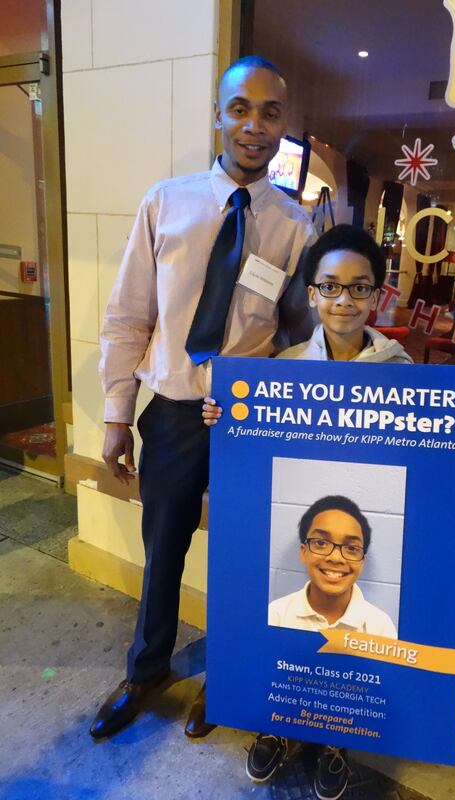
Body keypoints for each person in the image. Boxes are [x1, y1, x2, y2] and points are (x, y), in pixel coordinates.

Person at [203, 223, 455, 800]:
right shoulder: (279, 368)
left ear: (376, 296)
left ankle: (335, 735)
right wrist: (223, 421)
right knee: (285, 621)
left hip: (364, 523)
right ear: (311, 294)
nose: (344, 300)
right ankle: (277, 722)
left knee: (355, 629)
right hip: (300, 527)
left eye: (359, 288)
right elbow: (252, 453)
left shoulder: (403, 374)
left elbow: (430, 454)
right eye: (330, 286)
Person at [90, 55, 316, 741]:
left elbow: (304, 334)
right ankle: (147, 668)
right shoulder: (167, 201)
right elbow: (130, 314)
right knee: (164, 550)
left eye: (270, 112)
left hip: (249, 421)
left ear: (284, 124)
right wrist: (114, 415)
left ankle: (232, 681)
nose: (254, 125)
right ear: (218, 115)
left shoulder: (295, 227)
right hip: (174, 414)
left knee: (247, 556)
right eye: (240, 108)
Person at [269, 495, 397, 638]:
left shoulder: (380, 628)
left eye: (352, 548)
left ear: (362, 561)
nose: (336, 558)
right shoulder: (275, 616)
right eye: (321, 543)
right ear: (304, 552)